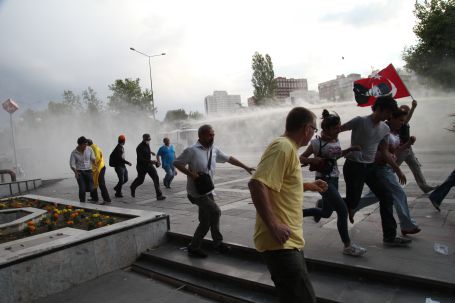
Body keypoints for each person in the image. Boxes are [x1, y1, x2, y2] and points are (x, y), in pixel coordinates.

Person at [248, 107, 328, 303]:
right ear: (306, 128)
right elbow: (257, 183)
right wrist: (273, 225)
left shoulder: (289, 149)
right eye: (314, 129)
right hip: (280, 243)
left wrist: (308, 185)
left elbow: (281, 183)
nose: (314, 134)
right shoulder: (282, 147)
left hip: (288, 240)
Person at [173, 124, 255, 258]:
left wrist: (245, 167)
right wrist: (191, 174)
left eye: (213, 134)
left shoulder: (214, 150)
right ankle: (218, 243)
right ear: (201, 136)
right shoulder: (191, 150)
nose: (213, 137)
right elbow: (176, 163)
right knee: (216, 211)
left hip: (208, 191)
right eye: (210, 134)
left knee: (205, 222)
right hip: (196, 193)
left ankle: (193, 247)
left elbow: (229, 159)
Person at [341, 96, 412, 246]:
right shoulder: (360, 121)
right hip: (354, 166)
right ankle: (326, 202)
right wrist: (325, 146)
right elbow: (338, 129)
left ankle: (389, 237)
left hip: (371, 167)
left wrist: (397, 170)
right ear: (378, 109)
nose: (389, 116)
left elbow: (385, 152)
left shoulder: (385, 129)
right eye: (387, 112)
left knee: (386, 196)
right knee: (352, 202)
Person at [300, 109, 366, 256]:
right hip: (323, 181)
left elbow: (335, 157)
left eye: (339, 126)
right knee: (342, 210)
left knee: (326, 212)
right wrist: (312, 160)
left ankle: (296, 214)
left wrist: (350, 149)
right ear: (328, 129)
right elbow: (301, 158)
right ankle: (348, 246)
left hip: (334, 178)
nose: (339, 129)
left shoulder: (336, 140)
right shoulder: (316, 143)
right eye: (336, 127)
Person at [354, 109, 421, 235]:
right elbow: (385, 154)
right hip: (380, 168)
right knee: (399, 193)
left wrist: (408, 144)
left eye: (403, 120)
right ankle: (407, 225)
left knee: (374, 196)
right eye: (400, 120)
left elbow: (394, 152)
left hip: (385, 168)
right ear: (391, 118)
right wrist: (398, 169)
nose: (402, 123)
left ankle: (346, 206)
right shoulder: (383, 130)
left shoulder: (394, 132)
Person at [396, 100, 435, 193]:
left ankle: (424, 186)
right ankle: (381, 180)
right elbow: (406, 120)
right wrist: (413, 107)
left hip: (408, 149)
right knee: (393, 168)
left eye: (407, 112)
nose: (406, 114)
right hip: (401, 150)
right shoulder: (401, 121)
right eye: (405, 112)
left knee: (416, 167)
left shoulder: (404, 121)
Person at [130, 134, 166, 200]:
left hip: (149, 165)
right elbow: (141, 159)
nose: (149, 141)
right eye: (147, 139)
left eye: (149, 139)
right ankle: (132, 187)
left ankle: (159, 195)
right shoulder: (139, 147)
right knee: (140, 180)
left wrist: (151, 152)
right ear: (144, 139)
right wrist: (152, 161)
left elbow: (147, 150)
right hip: (141, 166)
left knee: (156, 177)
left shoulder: (147, 144)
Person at [70, 136, 96, 202]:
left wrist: (94, 163)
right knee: (82, 189)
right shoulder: (74, 153)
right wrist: (75, 173)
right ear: (79, 145)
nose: (85, 147)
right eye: (84, 145)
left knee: (91, 188)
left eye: (86, 145)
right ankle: (82, 203)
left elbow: (93, 158)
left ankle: (92, 197)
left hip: (89, 171)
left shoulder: (89, 149)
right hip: (79, 172)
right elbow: (72, 164)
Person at [87, 139, 111, 204]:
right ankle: (94, 198)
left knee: (101, 183)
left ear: (87, 144)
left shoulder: (93, 148)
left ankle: (107, 200)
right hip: (98, 168)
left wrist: (89, 164)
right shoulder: (93, 147)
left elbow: (96, 158)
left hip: (100, 168)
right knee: (93, 182)